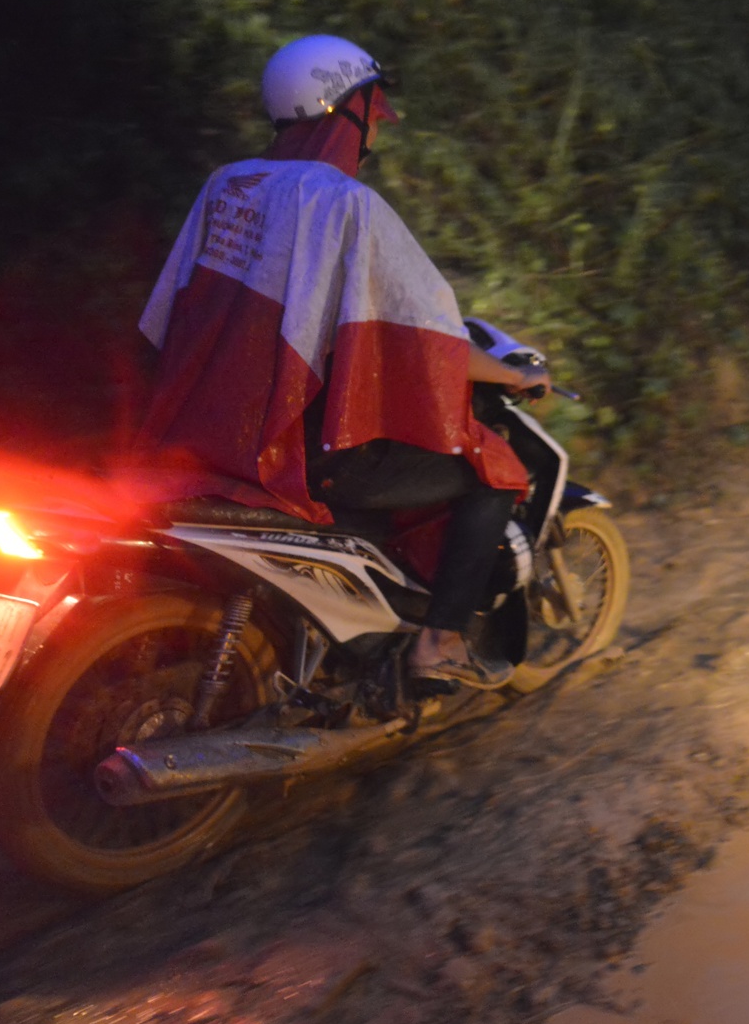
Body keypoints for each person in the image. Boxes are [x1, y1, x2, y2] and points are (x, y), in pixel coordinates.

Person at [135, 34, 543, 687]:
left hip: (201, 439)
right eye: (375, 107)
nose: (382, 123)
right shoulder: (346, 205)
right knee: (492, 471)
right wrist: (518, 376)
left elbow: (168, 317)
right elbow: (427, 344)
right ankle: (437, 643)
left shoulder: (227, 186)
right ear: (342, 109)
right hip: (299, 454)